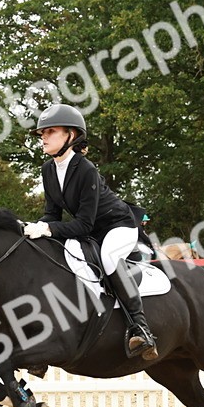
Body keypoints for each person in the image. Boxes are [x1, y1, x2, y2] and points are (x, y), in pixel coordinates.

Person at [23, 104, 158, 359]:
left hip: (118, 226)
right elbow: (52, 215)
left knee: (108, 257)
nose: (43, 137)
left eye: (50, 131)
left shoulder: (86, 169)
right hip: (91, 230)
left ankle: (140, 327)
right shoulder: (48, 169)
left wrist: (47, 228)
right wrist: (34, 227)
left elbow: (83, 224)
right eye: (42, 133)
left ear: (71, 135)